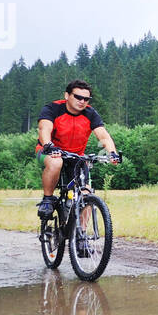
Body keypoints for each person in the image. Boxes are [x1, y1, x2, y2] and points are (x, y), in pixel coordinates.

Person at [36, 79, 121, 218]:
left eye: (86, 99)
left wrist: (112, 153)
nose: (82, 101)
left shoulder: (90, 114)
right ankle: (48, 199)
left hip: (76, 156)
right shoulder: (53, 108)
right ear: (67, 95)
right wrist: (48, 145)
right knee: (56, 162)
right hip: (47, 151)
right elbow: (44, 128)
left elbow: (103, 136)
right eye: (78, 97)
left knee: (86, 194)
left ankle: (81, 236)